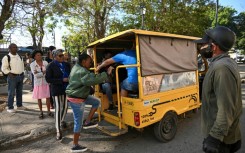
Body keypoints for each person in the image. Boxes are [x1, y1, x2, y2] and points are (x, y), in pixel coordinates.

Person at [194, 26, 242, 153]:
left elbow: (226, 109)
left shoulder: (222, 68)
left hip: (221, 141)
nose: (201, 48)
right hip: (223, 137)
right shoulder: (223, 63)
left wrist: (214, 138)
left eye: (204, 45)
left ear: (213, 47)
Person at [66, 53, 108, 152]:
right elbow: (92, 80)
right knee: (78, 122)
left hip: (80, 95)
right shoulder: (81, 71)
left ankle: (88, 122)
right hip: (77, 99)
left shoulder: (77, 67)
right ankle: (75, 145)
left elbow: (87, 77)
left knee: (96, 101)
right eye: (90, 62)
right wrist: (106, 73)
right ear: (83, 61)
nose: (91, 64)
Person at [45, 49, 70, 140]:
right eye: (60, 56)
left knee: (66, 107)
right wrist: (61, 80)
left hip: (67, 89)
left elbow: (70, 74)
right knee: (58, 109)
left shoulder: (66, 65)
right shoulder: (50, 66)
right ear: (55, 57)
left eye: (62, 55)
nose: (62, 57)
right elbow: (48, 79)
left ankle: (61, 121)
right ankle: (58, 131)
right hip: (57, 89)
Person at [1, 43, 27, 113]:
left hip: (20, 76)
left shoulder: (19, 57)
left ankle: (19, 105)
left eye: (16, 47)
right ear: (9, 49)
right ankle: (10, 107)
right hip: (12, 77)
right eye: (13, 47)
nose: (15, 48)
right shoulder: (7, 57)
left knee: (19, 92)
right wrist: (9, 73)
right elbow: (3, 68)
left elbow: (22, 66)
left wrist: (23, 73)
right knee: (11, 93)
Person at [30, 50, 53, 119]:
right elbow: (36, 75)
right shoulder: (32, 64)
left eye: (40, 55)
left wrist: (40, 72)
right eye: (38, 55)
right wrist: (43, 72)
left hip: (46, 82)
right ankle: (41, 112)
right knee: (39, 98)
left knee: (48, 97)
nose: (39, 56)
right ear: (34, 57)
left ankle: (49, 111)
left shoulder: (45, 62)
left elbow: (48, 72)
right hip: (38, 83)